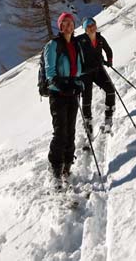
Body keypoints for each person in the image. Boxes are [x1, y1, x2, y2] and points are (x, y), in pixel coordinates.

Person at [43, 12, 85, 181]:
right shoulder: (53, 45)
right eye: (64, 23)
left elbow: (79, 68)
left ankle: (67, 164)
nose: (68, 26)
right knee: (60, 132)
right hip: (58, 94)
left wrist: (78, 83)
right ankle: (55, 166)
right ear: (60, 26)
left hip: (72, 92)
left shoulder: (75, 44)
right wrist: (63, 86)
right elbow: (50, 73)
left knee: (71, 131)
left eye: (70, 23)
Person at [76, 17, 116, 136]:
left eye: (93, 24)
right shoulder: (79, 40)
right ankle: (88, 122)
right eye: (88, 26)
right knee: (87, 98)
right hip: (84, 73)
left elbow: (108, 50)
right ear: (84, 29)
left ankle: (109, 116)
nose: (91, 27)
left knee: (110, 90)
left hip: (98, 70)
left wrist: (109, 61)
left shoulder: (99, 38)